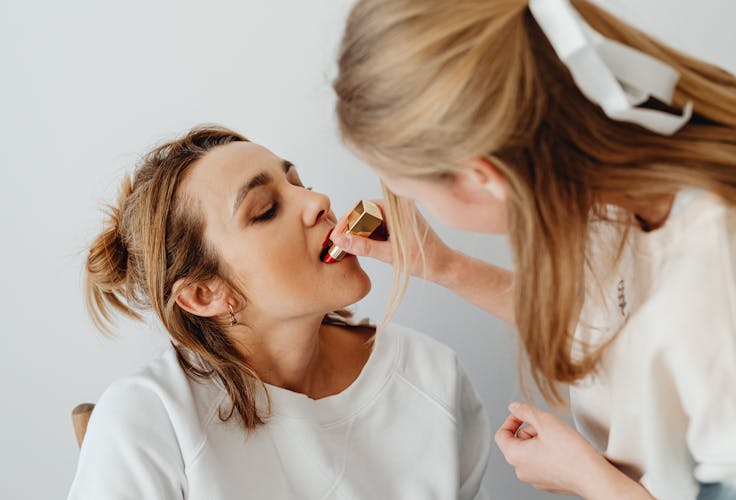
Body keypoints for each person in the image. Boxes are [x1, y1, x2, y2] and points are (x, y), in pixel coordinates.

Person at [330, 0, 736, 498]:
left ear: (483, 177)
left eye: (415, 194)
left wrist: (588, 479)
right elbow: (602, 319)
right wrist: (443, 266)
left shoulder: (716, 278)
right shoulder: (603, 190)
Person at [67, 125, 490, 500]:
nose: (318, 201)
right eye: (266, 209)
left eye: (298, 183)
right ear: (204, 294)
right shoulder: (152, 419)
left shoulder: (432, 375)